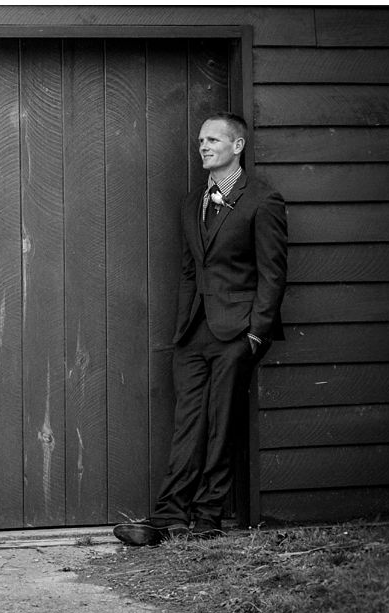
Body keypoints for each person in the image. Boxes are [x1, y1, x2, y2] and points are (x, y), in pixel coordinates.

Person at [114, 112, 287, 546]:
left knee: (221, 423)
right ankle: (168, 517)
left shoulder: (263, 201)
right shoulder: (193, 201)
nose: (204, 147)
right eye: (200, 141)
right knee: (187, 424)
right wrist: (181, 329)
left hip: (238, 332)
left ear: (238, 147)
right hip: (194, 333)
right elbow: (190, 270)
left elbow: (273, 274)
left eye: (213, 140)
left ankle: (207, 518)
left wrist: (256, 334)